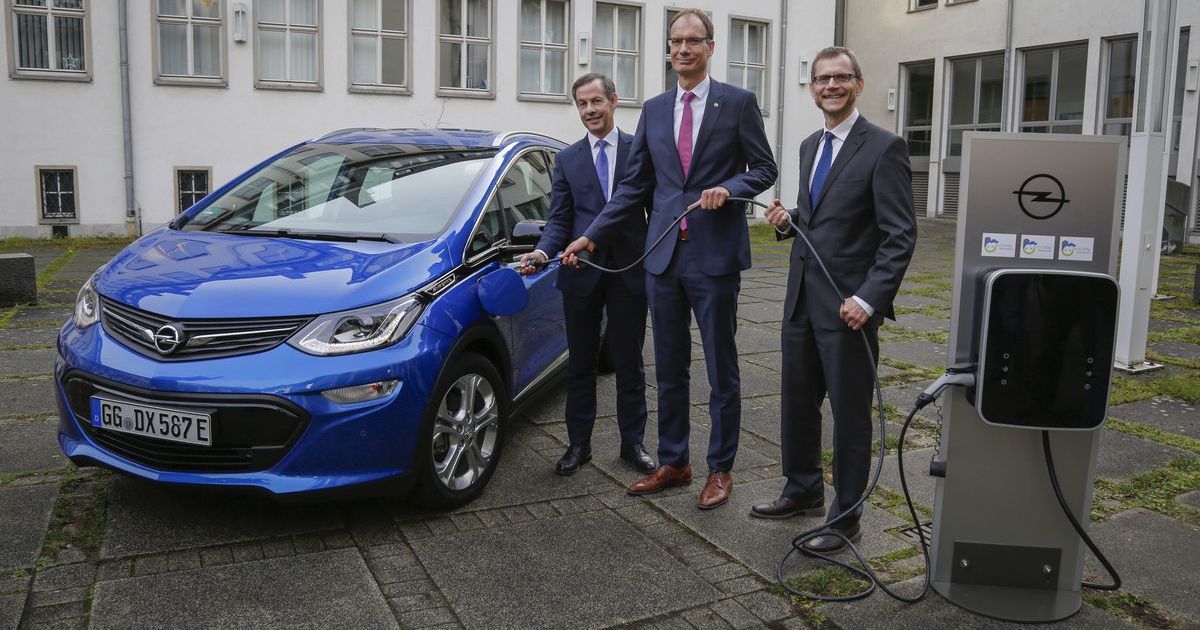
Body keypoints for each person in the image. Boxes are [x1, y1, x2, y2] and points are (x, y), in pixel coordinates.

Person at [562, 9, 776, 510]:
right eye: (675, 41)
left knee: (721, 369)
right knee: (670, 368)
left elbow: (764, 168)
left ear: (710, 47)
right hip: (661, 258)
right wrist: (591, 236)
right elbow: (634, 185)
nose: (682, 48)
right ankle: (675, 461)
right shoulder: (655, 109)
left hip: (714, 258)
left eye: (692, 40)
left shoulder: (738, 103)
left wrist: (730, 187)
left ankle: (720, 468)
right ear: (668, 49)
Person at [753, 47, 916, 552]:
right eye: (822, 79)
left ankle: (846, 518)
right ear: (812, 89)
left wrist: (868, 299)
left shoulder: (885, 147)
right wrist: (790, 221)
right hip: (802, 300)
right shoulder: (809, 145)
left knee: (849, 415)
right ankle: (802, 489)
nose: (831, 86)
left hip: (849, 310)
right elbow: (823, 214)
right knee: (798, 404)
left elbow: (900, 235)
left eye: (841, 77)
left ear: (858, 84)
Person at [519, 73, 654, 476]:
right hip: (580, 275)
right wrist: (543, 250)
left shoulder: (640, 150)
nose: (590, 110)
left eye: (596, 101)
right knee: (580, 365)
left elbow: (653, 209)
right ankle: (579, 445)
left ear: (614, 101)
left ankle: (633, 444)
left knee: (629, 364)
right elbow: (559, 220)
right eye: (582, 103)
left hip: (628, 272)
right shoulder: (567, 159)